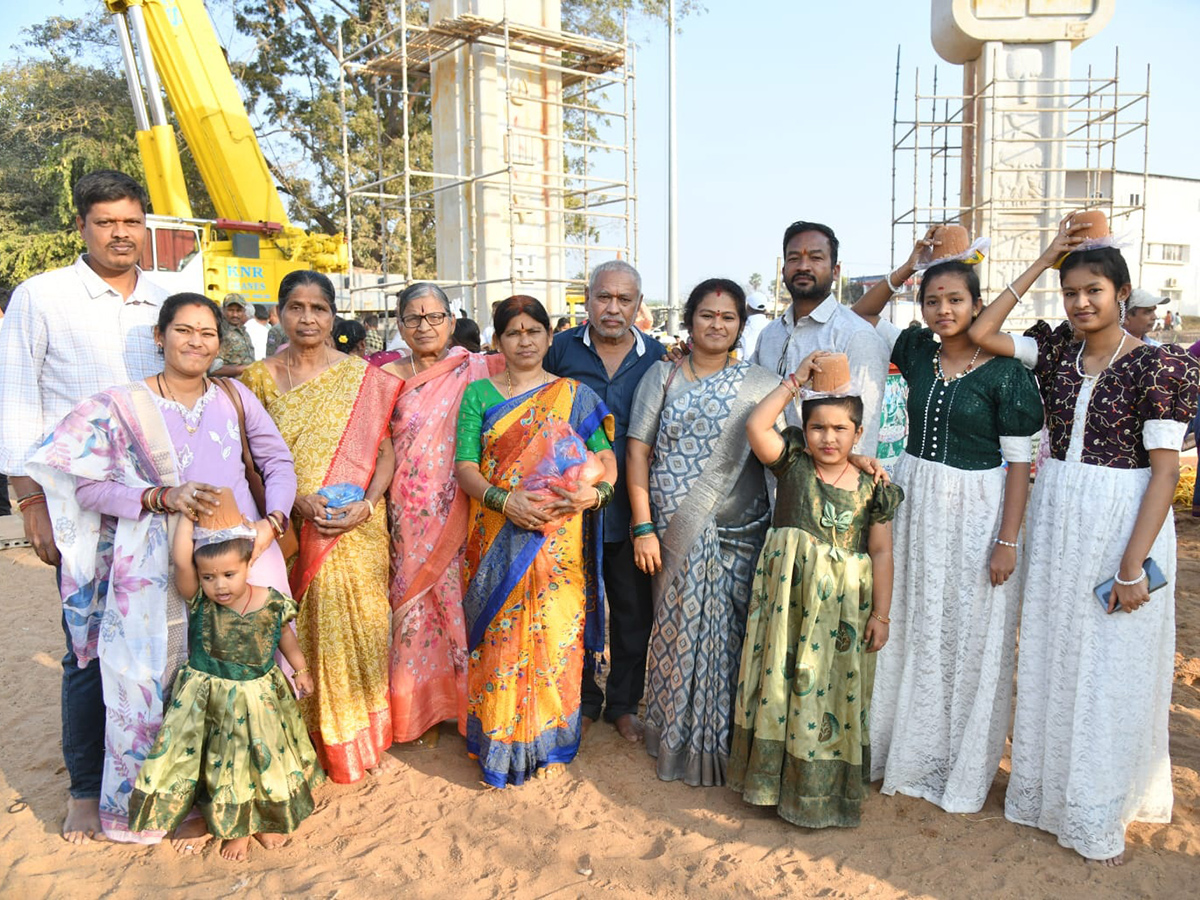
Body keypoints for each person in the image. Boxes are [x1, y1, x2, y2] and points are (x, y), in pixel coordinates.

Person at [27, 291, 297, 847]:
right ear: (159, 336)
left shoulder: (234, 395)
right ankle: (163, 800)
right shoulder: (121, 407)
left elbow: (276, 460)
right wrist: (161, 496)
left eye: (208, 334)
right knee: (158, 680)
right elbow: (87, 485)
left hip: (238, 560)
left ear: (222, 343)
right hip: (151, 567)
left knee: (240, 680)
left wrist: (272, 522)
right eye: (184, 330)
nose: (197, 342)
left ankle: (247, 799)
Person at [968, 215, 1199, 865]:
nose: (1080, 302)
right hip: (1059, 514)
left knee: (1109, 666)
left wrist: (1133, 565)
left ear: (1121, 293)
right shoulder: (1054, 353)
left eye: (1093, 289)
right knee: (1054, 655)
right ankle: (1048, 794)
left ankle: (1099, 803)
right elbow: (982, 331)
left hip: (1124, 518)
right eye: (1071, 291)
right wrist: (1046, 258)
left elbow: (1164, 472)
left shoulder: (1159, 366)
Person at [0, 169, 168, 844]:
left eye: (131, 221)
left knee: (162, 644)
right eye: (106, 222)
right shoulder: (41, 298)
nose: (121, 233)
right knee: (86, 648)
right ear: (82, 227)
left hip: (163, 502)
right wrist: (30, 500)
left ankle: (159, 779)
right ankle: (82, 786)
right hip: (80, 507)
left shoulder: (169, 294)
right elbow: (16, 403)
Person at [852, 236, 1044, 813]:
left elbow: (1019, 464)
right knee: (913, 621)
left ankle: (956, 764)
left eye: (955, 299)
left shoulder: (1009, 373)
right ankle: (902, 753)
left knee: (967, 632)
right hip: (915, 499)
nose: (942, 310)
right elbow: (861, 314)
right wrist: (909, 266)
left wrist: (1007, 539)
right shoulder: (913, 347)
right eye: (932, 299)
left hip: (980, 507)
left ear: (978, 302)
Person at [241, 271, 402, 784]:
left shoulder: (363, 379)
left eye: (318, 308)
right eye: (295, 307)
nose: (307, 318)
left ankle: (358, 738)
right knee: (298, 630)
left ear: (333, 316)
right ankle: (308, 738)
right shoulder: (257, 379)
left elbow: (385, 451)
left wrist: (370, 505)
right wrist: (290, 503)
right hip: (291, 526)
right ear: (279, 314)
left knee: (361, 627)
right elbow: (250, 464)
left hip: (356, 528)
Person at [728, 357, 903, 828]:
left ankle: (822, 792)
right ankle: (771, 783)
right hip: (789, 603)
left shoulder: (874, 487)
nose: (829, 438)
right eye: (818, 428)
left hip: (844, 612)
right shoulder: (792, 464)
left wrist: (881, 616)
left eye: (840, 429)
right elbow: (756, 424)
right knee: (781, 685)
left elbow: (882, 553)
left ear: (858, 433)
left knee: (831, 692)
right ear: (803, 432)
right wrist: (796, 381)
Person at [454, 295, 618, 787]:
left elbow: (606, 459)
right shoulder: (479, 396)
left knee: (555, 637)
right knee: (501, 640)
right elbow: (464, 467)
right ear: (497, 341)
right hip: (497, 531)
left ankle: (549, 740)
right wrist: (506, 502)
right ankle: (500, 746)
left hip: (559, 538)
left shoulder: (575, 394)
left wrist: (594, 495)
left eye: (533, 331)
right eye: (513, 332)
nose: (524, 341)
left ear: (550, 337)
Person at [626, 279, 779, 786]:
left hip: (741, 526)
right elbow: (638, 453)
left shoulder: (759, 383)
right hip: (675, 528)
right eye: (707, 315)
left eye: (728, 317)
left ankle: (726, 741)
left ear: (740, 324)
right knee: (676, 631)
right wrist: (643, 525)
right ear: (690, 320)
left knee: (733, 633)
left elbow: (786, 451)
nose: (717, 324)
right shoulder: (662, 376)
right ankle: (676, 736)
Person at [128, 507, 323, 862]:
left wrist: (301, 670)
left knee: (264, 760)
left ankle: (266, 818)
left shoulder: (270, 600)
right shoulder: (200, 600)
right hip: (211, 701)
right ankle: (237, 830)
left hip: (261, 698)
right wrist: (187, 514)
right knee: (225, 765)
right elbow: (181, 560)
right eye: (209, 577)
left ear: (249, 564)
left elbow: (286, 639)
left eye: (229, 574)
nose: (219, 585)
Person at [369, 283, 503, 748]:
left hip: (465, 505)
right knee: (411, 602)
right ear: (399, 324)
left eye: (434, 317)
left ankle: (463, 707)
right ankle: (415, 709)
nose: (424, 327)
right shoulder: (383, 377)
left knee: (458, 602)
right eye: (413, 318)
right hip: (406, 510)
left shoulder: (478, 368)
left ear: (450, 320)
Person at [544, 260, 666, 742]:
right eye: (604, 297)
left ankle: (622, 702)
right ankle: (582, 699)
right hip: (568, 507)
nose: (613, 309)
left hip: (632, 509)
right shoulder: (557, 351)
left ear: (639, 305)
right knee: (571, 606)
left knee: (633, 611)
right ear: (587, 299)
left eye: (624, 300)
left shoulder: (657, 358)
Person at [750, 222, 890, 452]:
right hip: (770, 478)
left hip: (823, 485)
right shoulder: (770, 334)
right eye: (794, 258)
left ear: (835, 271)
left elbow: (863, 432)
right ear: (783, 269)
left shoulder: (856, 335)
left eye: (815, 258)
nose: (803, 266)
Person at [212, 294, 256, 377]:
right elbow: (214, 369)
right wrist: (246, 368)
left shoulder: (243, 332)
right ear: (223, 310)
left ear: (244, 312)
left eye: (239, 310)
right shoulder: (220, 332)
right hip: (227, 386)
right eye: (230, 310)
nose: (235, 314)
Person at [737, 291, 770, 358]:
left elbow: (738, 354)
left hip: (746, 366)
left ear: (748, 307)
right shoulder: (773, 326)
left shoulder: (742, 327)